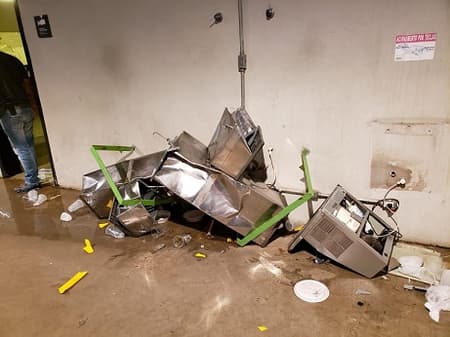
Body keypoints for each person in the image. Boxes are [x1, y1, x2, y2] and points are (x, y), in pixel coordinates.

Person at [0, 51, 40, 192]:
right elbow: (26, 84)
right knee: (29, 145)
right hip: (25, 107)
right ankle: (34, 178)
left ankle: (32, 181)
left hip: (9, 112)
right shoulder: (12, 59)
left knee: (20, 148)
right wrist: (33, 104)